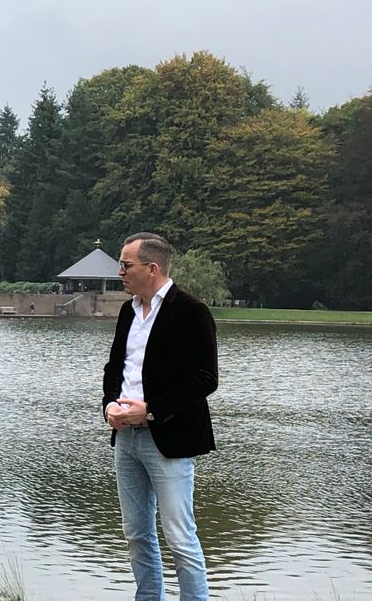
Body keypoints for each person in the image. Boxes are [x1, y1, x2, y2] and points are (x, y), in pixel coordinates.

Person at [102, 232, 218, 601]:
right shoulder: (127, 310)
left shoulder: (192, 311)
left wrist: (150, 411)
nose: (119, 271)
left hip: (169, 437)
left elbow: (206, 378)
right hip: (125, 437)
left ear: (151, 268)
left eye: (125, 264)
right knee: (136, 535)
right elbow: (114, 368)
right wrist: (109, 404)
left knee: (180, 537)